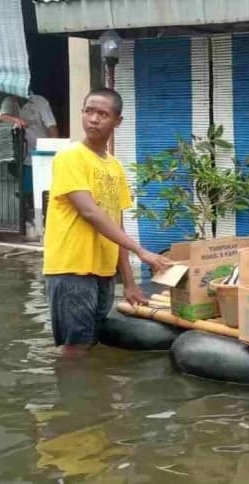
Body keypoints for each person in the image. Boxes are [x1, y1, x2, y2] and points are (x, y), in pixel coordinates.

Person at [43, 87, 170, 358]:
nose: (93, 119)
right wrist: (141, 250)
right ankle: (73, 399)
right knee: (75, 347)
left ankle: (90, 398)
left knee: (91, 342)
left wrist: (129, 282)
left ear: (117, 121)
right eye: (89, 111)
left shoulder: (114, 167)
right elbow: (90, 213)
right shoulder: (70, 157)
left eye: (103, 114)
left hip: (102, 271)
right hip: (71, 267)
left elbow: (116, 225)